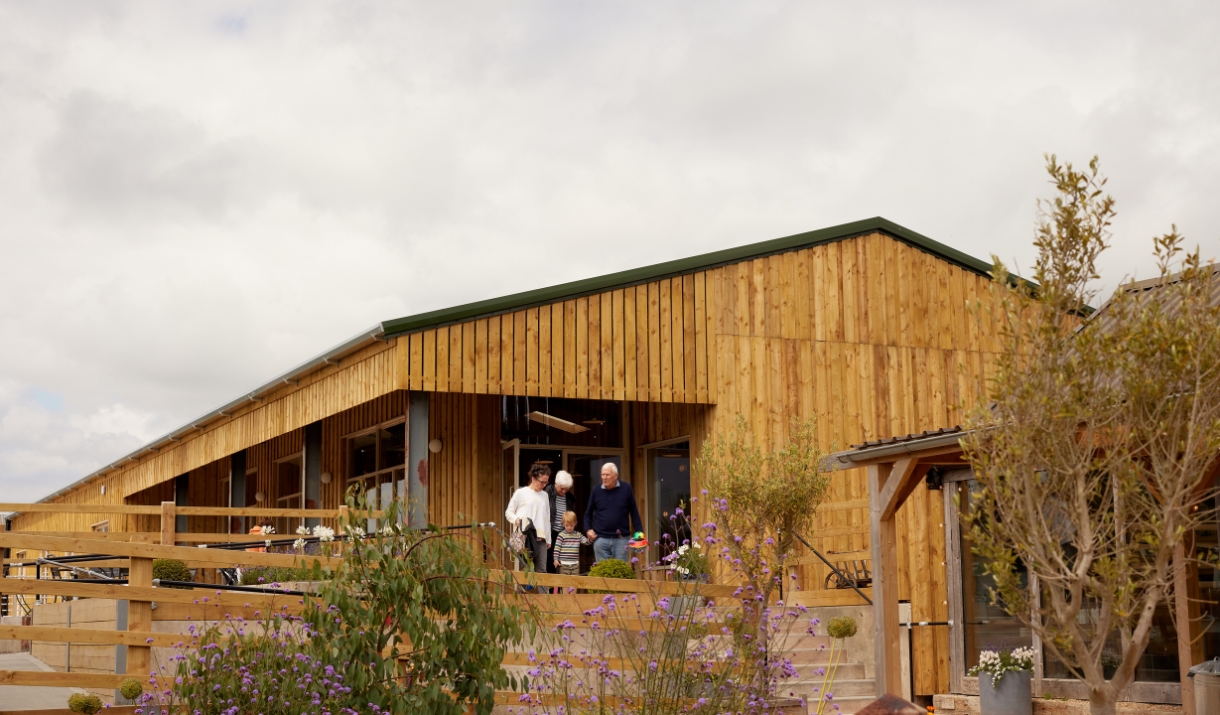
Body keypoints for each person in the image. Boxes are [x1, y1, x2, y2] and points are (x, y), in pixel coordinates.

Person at [584, 462, 643, 563]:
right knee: (603, 574)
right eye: (602, 474)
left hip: (621, 539)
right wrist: (588, 530)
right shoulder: (596, 491)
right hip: (600, 539)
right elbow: (588, 513)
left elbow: (634, 513)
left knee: (620, 573)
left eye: (607, 475)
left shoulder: (626, 489)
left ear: (616, 475)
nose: (604, 477)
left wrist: (640, 535)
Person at [505, 463, 552, 574]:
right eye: (542, 482)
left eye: (546, 482)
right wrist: (516, 520)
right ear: (533, 479)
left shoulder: (545, 495)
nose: (544, 485)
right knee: (526, 569)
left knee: (542, 570)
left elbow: (547, 517)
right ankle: (523, 591)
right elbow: (508, 512)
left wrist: (548, 538)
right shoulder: (520, 493)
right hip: (525, 536)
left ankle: (543, 592)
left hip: (540, 537)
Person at [545, 470, 575, 573]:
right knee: (550, 564)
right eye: (562, 488)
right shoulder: (546, 494)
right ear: (555, 484)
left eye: (566, 489)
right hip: (550, 535)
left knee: (564, 565)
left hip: (564, 535)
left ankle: (562, 589)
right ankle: (550, 589)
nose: (564, 491)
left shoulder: (570, 498)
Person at [552, 511, 589, 575]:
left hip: (575, 565)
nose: (569, 527)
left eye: (571, 525)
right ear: (563, 523)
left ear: (575, 523)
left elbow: (586, 542)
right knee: (564, 583)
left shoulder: (578, 535)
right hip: (563, 564)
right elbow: (557, 549)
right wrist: (555, 560)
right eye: (567, 525)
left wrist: (591, 538)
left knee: (574, 582)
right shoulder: (561, 535)